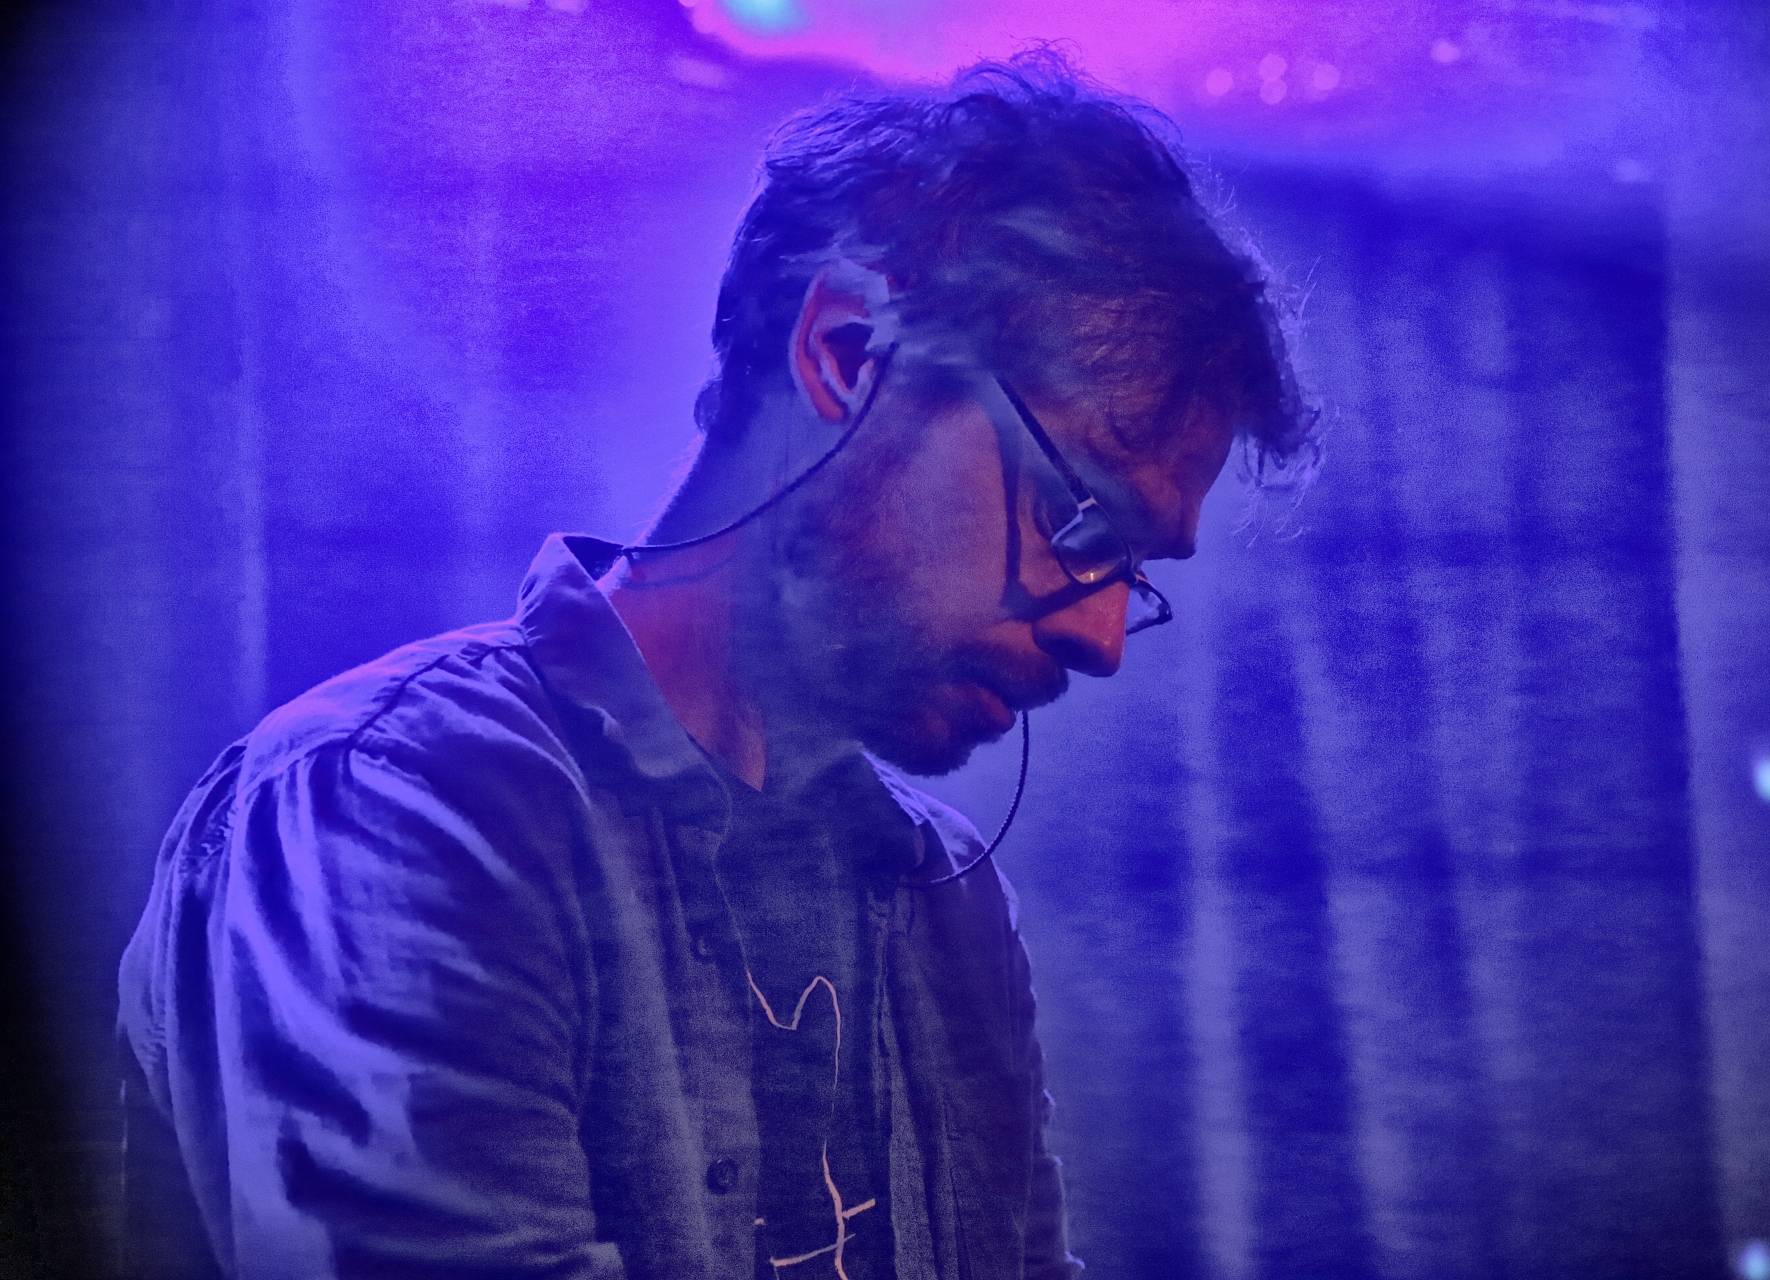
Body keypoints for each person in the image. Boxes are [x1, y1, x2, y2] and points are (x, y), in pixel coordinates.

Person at [116, 48, 1316, 1280]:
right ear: (847, 352)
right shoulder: (403, 807)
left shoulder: (944, 898)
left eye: (1135, 573)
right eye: (1080, 522)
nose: (1102, 638)